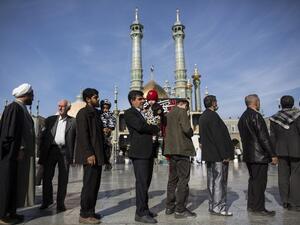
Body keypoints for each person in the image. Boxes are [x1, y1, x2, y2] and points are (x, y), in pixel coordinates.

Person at [0, 83, 35, 225]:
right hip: (11, 155)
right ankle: (3, 215)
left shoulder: (21, 108)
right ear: (25, 95)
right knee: (7, 183)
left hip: (17, 156)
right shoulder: (14, 107)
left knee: (16, 183)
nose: (33, 98)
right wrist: (20, 148)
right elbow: (10, 131)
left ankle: (11, 212)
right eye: (32, 95)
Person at [238, 94, 278, 216]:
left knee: (253, 181)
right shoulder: (256, 116)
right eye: (259, 101)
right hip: (259, 155)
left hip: (249, 156)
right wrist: (273, 154)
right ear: (256, 102)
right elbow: (263, 137)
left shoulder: (242, 118)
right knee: (260, 182)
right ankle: (259, 208)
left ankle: (252, 205)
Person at [124, 90, 160, 224]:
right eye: (140, 99)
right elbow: (140, 127)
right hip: (139, 153)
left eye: (143, 98)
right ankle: (140, 213)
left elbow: (147, 124)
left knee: (146, 182)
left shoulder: (142, 113)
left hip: (147, 152)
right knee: (142, 183)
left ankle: (144, 208)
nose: (143, 100)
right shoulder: (129, 113)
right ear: (132, 100)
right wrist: (154, 128)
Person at [75, 88, 106, 224]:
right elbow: (83, 135)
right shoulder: (83, 113)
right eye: (95, 97)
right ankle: (84, 214)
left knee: (94, 185)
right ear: (88, 99)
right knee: (88, 185)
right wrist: (89, 153)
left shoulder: (95, 114)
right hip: (90, 156)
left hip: (97, 155)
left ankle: (91, 212)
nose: (97, 99)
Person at [198, 95, 234, 216]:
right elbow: (218, 137)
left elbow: (202, 138)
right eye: (216, 102)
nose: (217, 103)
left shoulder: (203, 116)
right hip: (218, 155)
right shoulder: (213, 116)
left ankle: (212, 206)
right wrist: (225, 154)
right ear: (213, 103)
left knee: (212, 180)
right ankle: (219, 208)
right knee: (219, 181)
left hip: (209, 155)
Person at [39, 100, 76, 212]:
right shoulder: (50, 120)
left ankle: (60, 203)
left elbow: (76, 140)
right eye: (59, 106)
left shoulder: (73, 122)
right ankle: (46, 201)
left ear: (68, 108)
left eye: (63, 106)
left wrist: (74, 156)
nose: (60, 108)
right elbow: (43, 136)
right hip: (51, 151)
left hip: (65, 152)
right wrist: (42, 151)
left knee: (63, 178)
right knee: (47, 177)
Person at [164, 99, 197, 218]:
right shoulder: (182, 112)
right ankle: (180, 209)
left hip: (171, 151)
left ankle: (169, 207)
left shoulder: (168, 114)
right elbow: (187, 129)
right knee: (183, 180)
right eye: (187, 108)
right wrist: (191, 132)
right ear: (184, 105)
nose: (187, 110)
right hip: (182, 151)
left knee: (172, 180)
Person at [270, 95, 300, 211]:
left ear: (281, 104)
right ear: (292, 104)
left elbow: (272, 137)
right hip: (296, 150)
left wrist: (273, 153)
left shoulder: (274, 118)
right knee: (296, 175)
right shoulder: (298, 116)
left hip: (280, 151)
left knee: (283, 176)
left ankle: (285, 201)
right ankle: (295, 202)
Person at [100, 99, 116, 171]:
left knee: (107, 149)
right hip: (99, 135)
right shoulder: (99, 114)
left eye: (107, 108)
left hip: (107, 135)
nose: (105, 110)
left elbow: (113, 124)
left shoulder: (111, 115)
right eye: (104, 108)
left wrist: (108, 129)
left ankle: (107, 163)